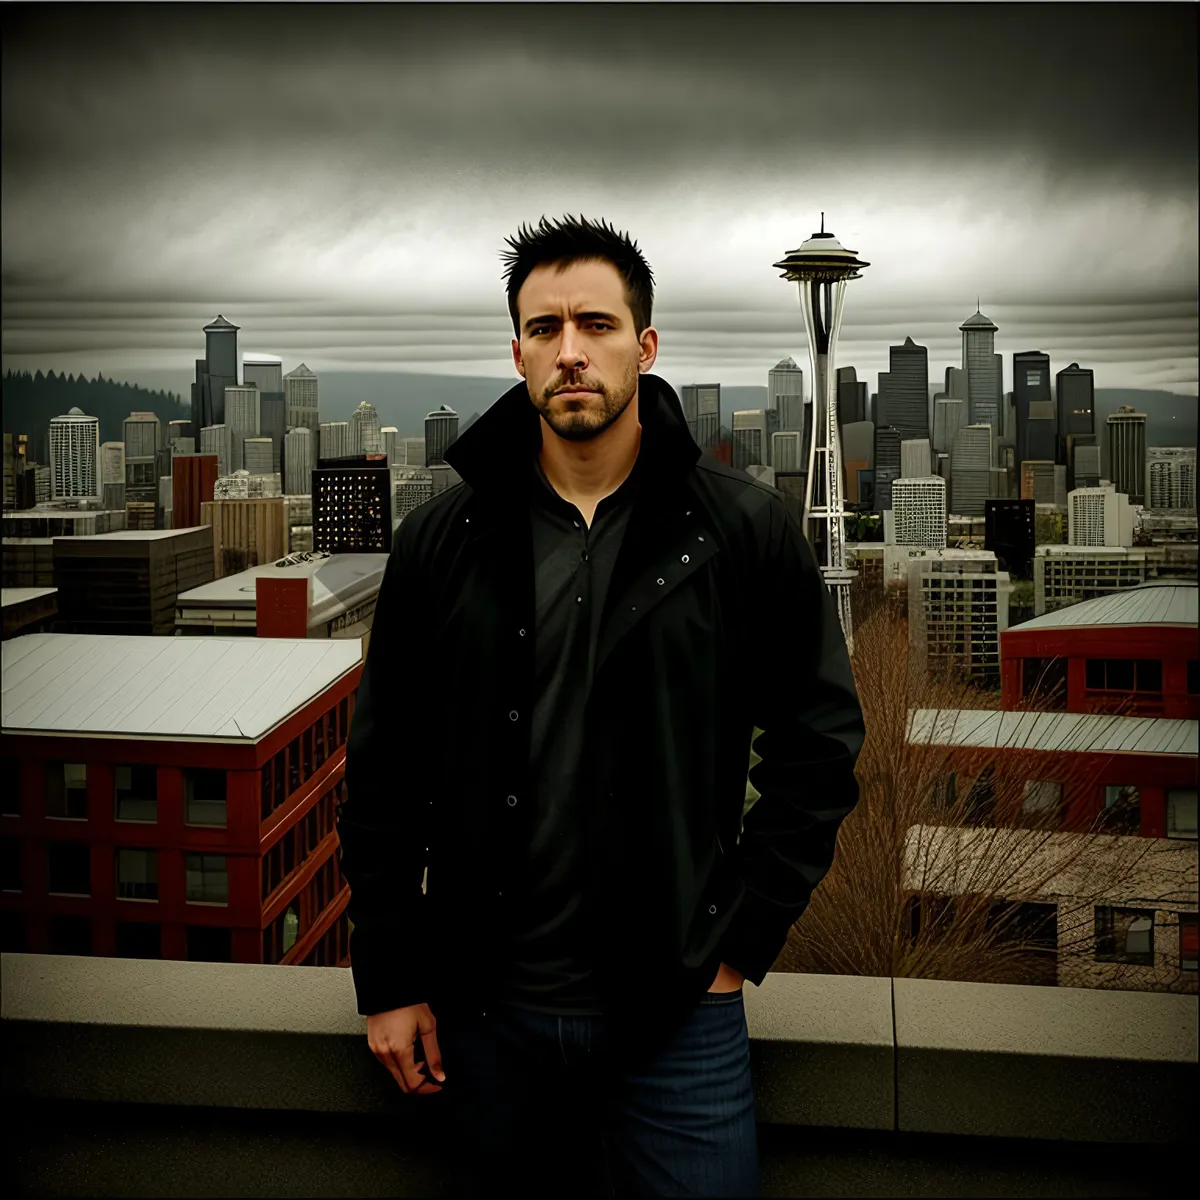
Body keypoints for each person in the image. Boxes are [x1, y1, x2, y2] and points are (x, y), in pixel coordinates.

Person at [339, 214, 865, 1197]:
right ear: (518, 351)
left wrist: (738, 940)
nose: (570, 350)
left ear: (645, 345)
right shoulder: (441, 543)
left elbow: (820, 746)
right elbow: (385, 773)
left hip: (678, 1017)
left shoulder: (741, 531)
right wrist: (392, 975)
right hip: (483, 1017)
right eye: (545, 329)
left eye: (595, 323)